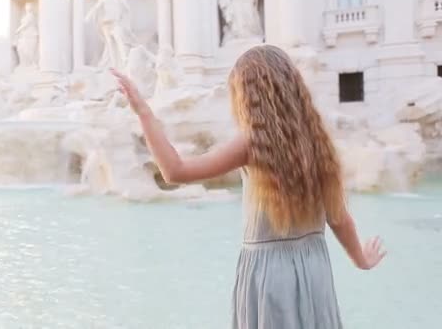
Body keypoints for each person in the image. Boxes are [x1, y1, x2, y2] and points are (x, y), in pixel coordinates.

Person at [110, 44, 386, 328]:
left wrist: (143, 112)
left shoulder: (252, 143)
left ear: (249, 96)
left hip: (269, 275)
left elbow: (175, 171)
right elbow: (338, 217)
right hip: (314, 270)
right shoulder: (317, 140)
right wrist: (360, 258)